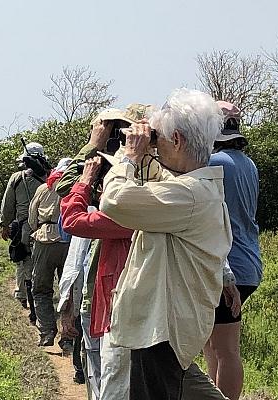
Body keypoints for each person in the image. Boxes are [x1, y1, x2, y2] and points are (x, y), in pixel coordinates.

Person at [98, 88, 230, 400]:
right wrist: (149, 150)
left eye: (160, 138)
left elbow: (113, 200)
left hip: (161, 331)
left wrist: (130, 156)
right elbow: (164, 182)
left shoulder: (190, 196)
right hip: (169, 329)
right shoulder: (198, 188)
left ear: (177, 140)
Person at [56, 105, 148, 398]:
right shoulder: (162, 189)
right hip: (118, 298)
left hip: (115, 304)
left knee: (109, 379)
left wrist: (93, 149)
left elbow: (70, 209)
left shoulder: (130, 207)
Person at [203, 100, 262, 400]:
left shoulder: (215, 163)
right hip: (248, 262)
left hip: (229, 266)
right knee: (215, 345)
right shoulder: (247, 163)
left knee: (224, 349)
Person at [27, 158, 73, 346]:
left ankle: (47, 332)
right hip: (70, 241)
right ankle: (67, 336)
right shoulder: (77, 188)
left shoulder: (44, 188)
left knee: (41, 289)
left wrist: (38, 230)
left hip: (45, 239)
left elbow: (32, 217)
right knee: (69, 291)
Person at [0, 142, 49, 309]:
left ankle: (21, 293)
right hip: (43, 227)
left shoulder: (17, 178)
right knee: (39, 261)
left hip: (22, 226)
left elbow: (8, 204)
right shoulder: (48, 177)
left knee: (22, 259)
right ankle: (37, 294)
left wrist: (4, 225)